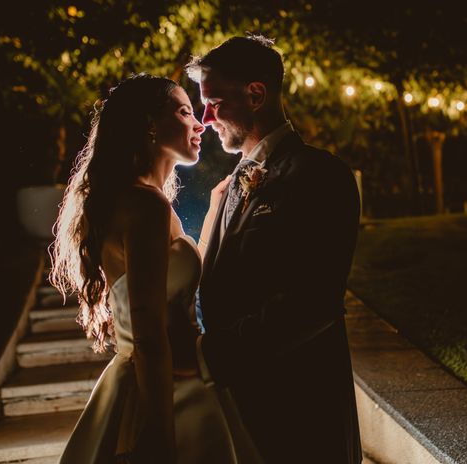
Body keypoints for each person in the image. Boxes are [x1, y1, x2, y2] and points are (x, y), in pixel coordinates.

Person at [49, 73, 260, 463]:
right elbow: (147, 328)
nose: (199, 123)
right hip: (168, 390)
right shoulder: (146, 206)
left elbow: (170, 284)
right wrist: (160, 434)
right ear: (149, 123)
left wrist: (217, 207)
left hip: (172, 377)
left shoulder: (143, 200)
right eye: (183, 111)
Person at [187, 35, 363, 463]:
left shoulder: (320, 176)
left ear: (256, 94)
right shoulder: (229, 187)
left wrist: (211, 356)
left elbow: (312, 302)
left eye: (213, 101)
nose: (205, 118)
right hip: (239, 408)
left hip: (300, 413)